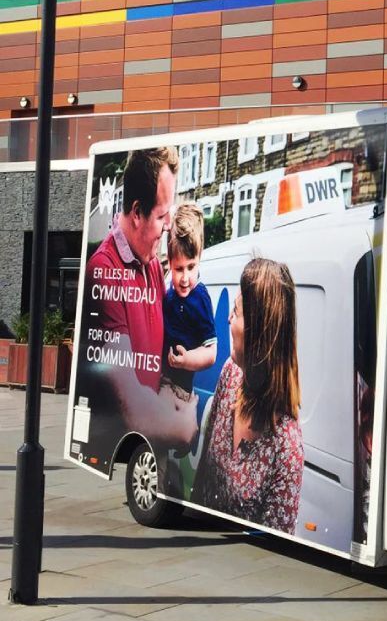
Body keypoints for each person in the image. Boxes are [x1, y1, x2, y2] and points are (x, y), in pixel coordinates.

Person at [84, 147, 197, 451]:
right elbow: (132, 406)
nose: (168, 225)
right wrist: (184, 425)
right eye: (162, 215)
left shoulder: (150, 265)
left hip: (149, 444)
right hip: (118, 443)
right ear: (136, 213)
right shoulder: (104, 269)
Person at [194, 258, 304, 534]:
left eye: (236, 311)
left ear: (259, 332)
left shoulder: (286, 448)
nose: (229, 318)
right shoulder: (230, 375)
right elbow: (202, 473)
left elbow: (273, 547)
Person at [162, 202, 217, 397]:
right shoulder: (169, 291)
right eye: (179, 269)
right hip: (160, 381)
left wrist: (187, 360)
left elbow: (211, 352)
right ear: (169, 262)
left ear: (200, 258)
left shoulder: (200, 298)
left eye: (191, 267)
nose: (185, 278)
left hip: (180, 391)